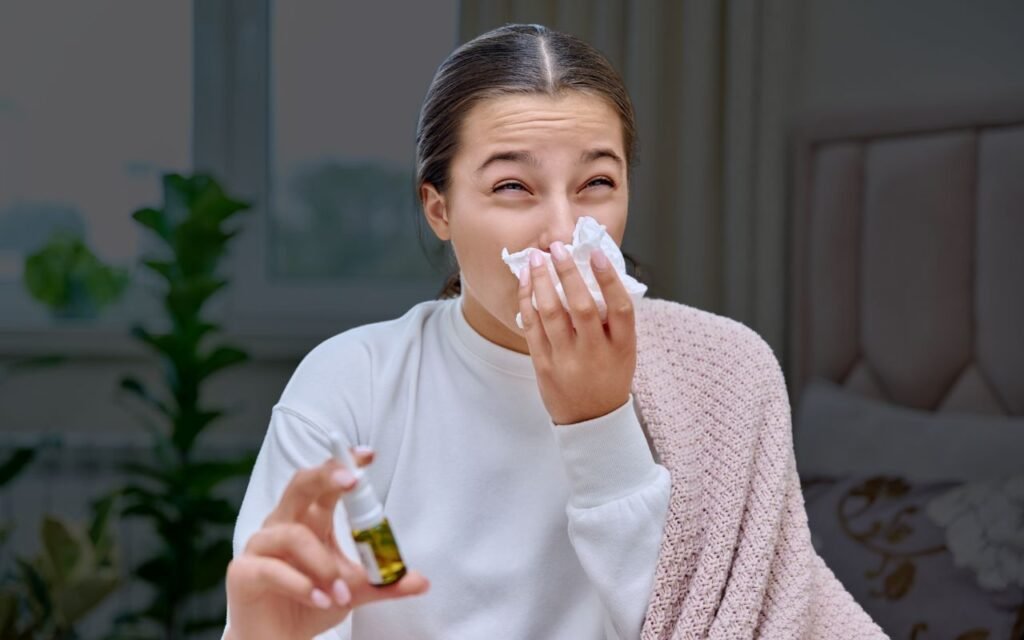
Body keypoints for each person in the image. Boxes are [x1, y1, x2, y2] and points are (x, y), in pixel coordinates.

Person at [224, 23, 887, 640]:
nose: (563, 232)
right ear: (439, 208)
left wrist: (597, 423)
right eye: (513, 186)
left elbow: (707, 626)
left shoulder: (722, 377)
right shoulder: (354, 384)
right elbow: (296, 612)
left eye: (596, 182)